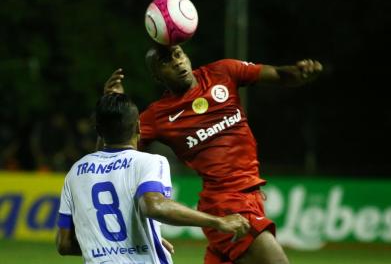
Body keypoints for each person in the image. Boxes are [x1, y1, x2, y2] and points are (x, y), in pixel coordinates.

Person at [103, 44, 323, 264]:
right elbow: (111, 153)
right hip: (226, 204)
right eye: (166, 62)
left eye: (178, 55)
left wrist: (299, 72)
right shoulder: (158, 115)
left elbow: (279, 74)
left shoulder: (223, 72)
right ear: (157, 75)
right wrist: (113, 107)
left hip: (251, 196)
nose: (177, 62)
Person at [56, 93, 250, 264]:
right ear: (139, 127)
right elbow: (154, 206)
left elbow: (64, 244)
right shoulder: (149, 162)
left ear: (98, 131)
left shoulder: (75, 172)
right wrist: (218, 221)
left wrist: (139, 242)